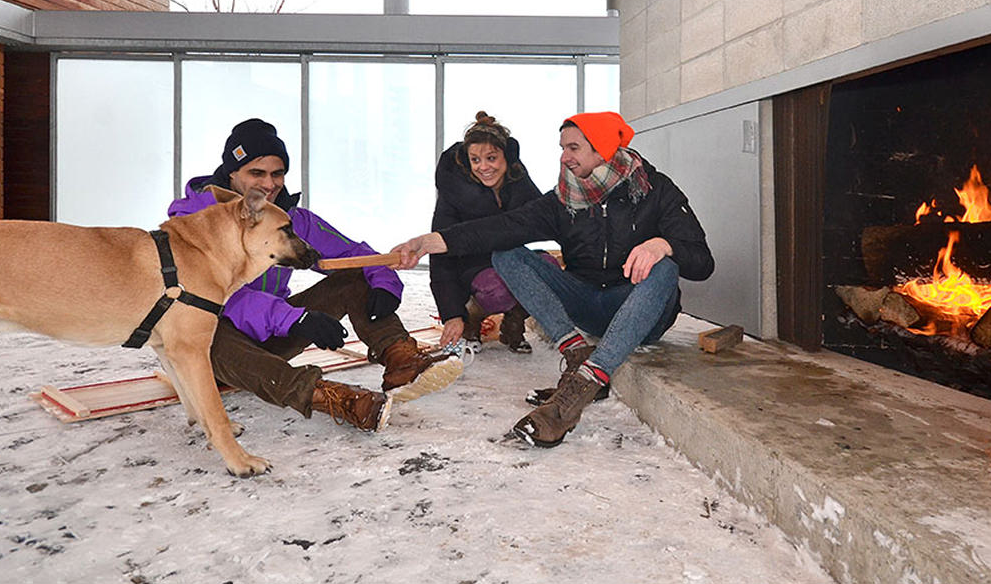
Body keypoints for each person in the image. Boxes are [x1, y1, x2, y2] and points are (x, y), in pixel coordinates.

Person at [393, 110, 713, 447]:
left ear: (601, 149)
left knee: (665, 267)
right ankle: (577, 356)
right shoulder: (563, 199)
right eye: (563, 148)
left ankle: (582, 385)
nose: (564, 157)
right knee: (508, 253)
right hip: (587, 303)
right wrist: (428, 243)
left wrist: (662, 245)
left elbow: (702, 263)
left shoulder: (655, 190)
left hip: (640, 310)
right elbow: (499, 229)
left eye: (573, 148)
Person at [167, 118, 461, 432]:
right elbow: (224, 295)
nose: (269, 184)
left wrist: (383, 283)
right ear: (232, 172)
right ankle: (334, 399)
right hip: (214, 348)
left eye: (277, 174)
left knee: (354, 277)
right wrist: (294, 318)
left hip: (271, 333)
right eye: (257, 173)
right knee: (207, 333)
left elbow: (351, 253)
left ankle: (401, 361)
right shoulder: (196, 221)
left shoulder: (290, 219)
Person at [430, 111, 544, 354]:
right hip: (471, 267)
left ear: (506, 156)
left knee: (548, 271)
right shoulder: (454, 193)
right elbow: (440, 255)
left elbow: (545, 216)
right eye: (475, 160)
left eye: (491, 158)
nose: (484, 167)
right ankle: (472, 317)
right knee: (498, 289)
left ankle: (514, 323)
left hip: (508, 257)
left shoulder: (517, 180)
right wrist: (452, 313)